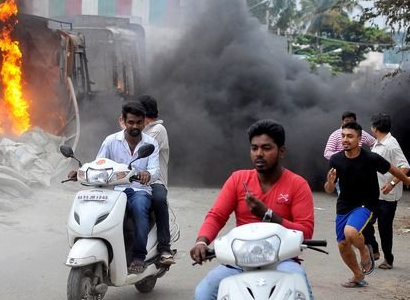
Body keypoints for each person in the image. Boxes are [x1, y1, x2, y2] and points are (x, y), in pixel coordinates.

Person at [191, 119, 315, 300]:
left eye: (266, 148)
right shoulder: (238, 179)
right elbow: (217, 216)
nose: (259, 154)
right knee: (203, 293)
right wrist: (201, 241)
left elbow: (306, 231)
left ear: (281, 151)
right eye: (254, 148)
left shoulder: (298, 184)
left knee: (300, 291)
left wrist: (268, 215)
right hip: (240, 261)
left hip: (282, 261)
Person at [324, 122, 410, 288]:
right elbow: (329, 189)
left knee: (350, 233)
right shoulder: (335, 159)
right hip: (344, 206)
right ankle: (358, 275)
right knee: (343, 244)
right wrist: (330, 183)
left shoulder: (370, 158)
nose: (345, 139)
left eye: (350, 136)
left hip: (366, 204)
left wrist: (406, 180)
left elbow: (393, 169)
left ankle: (365, 250)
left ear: (359, 139)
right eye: (343, 136)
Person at [95, 101, 160, 274]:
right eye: (131, 122)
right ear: (123, 121)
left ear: (144, 122)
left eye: (139, 122)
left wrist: (147, 174)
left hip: (139, 190)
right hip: (115, 191)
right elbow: (99, 163)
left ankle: (139, 256)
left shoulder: (151, 143)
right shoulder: (110, 141)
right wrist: (80, 171)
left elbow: (155, 170)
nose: (135, 126)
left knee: (140, 208)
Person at [323, 111, 380, 261]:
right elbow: (327, 152)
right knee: (344, 238)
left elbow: (374, 143)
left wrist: (366, 158)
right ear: (341, 122)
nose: (345, 138)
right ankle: (360, 263)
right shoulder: (336, 136)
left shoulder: (361, 136)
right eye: (345, 122)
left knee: (360, 220)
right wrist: (342, 157)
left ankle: (369, 246)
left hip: (362, 186)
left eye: (350, 122)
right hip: (343, 178)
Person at [370, 113, 410, 270]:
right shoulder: (378, 143)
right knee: (365, 224)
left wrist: (392, 183)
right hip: (375, 193)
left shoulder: (391, 144)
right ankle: (374, 250)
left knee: (384, 228)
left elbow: (405, 166)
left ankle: (388, 258)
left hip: (387, 196)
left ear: (375, 128)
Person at [138, 94, 175, 265]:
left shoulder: (158, 130)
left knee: (159, 200)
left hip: (155, 181)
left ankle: (165, 248)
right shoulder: (138, 131)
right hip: (133, 180)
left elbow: (143, 150)